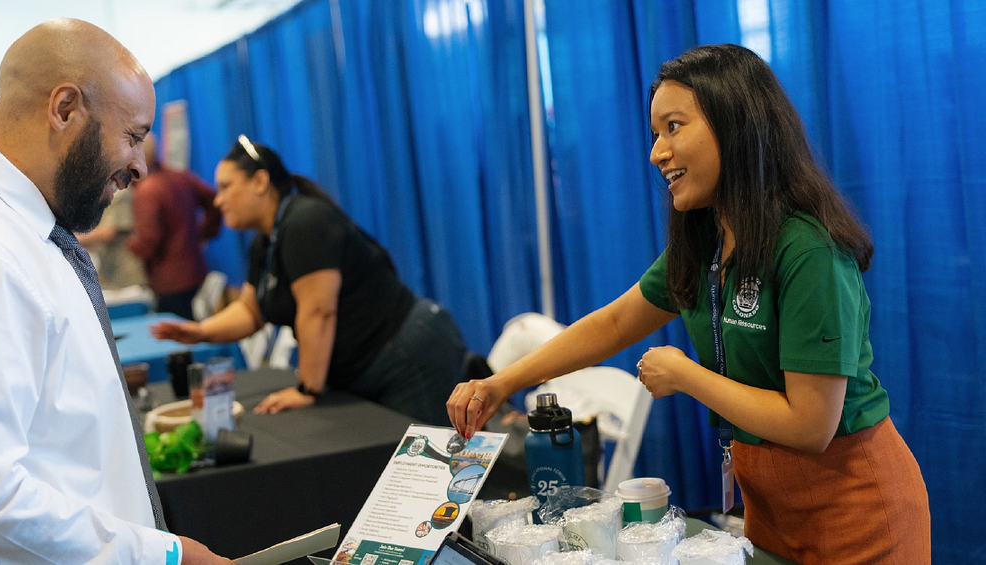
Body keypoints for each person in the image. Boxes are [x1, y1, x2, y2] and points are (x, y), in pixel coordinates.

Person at [447, 44, 930, 564]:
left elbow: (811, 426)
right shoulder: (706, 240)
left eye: (674, 127)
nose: (657, 152)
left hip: (854, 507)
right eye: (656, 134)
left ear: (736, 124)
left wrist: (684, 374)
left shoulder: (808, 249)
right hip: (769, 505)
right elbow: (612, 324)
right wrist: (503, 383)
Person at [0, 19, 232, 564]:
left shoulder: (12, 226)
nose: (140, 165)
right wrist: (163, 555)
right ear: (64, 109)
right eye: (132, 136)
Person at [150, 137, 466, 426]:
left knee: (430, 471)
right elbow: (251, 311)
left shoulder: (304, 222)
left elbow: (319, 313)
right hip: (366, 366)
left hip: (410, 358)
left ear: (260, 181)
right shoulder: (265, 240)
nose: (217, 201)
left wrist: (307, 389)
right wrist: (201, 331)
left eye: (226, 187)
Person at [127, 133, 221, 319]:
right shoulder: (181, 177)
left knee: (178, 340)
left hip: (169, 282)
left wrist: (129, 245)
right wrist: (203, 233)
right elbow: (215, 201)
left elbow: (148, 242)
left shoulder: (147, 190)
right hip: (195, 273)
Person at [77, 187, 148, 289]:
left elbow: (108, 232)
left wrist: (67, 238)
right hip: (108, 271)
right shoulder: (96, 194)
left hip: (125, 275)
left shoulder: (120, 192)